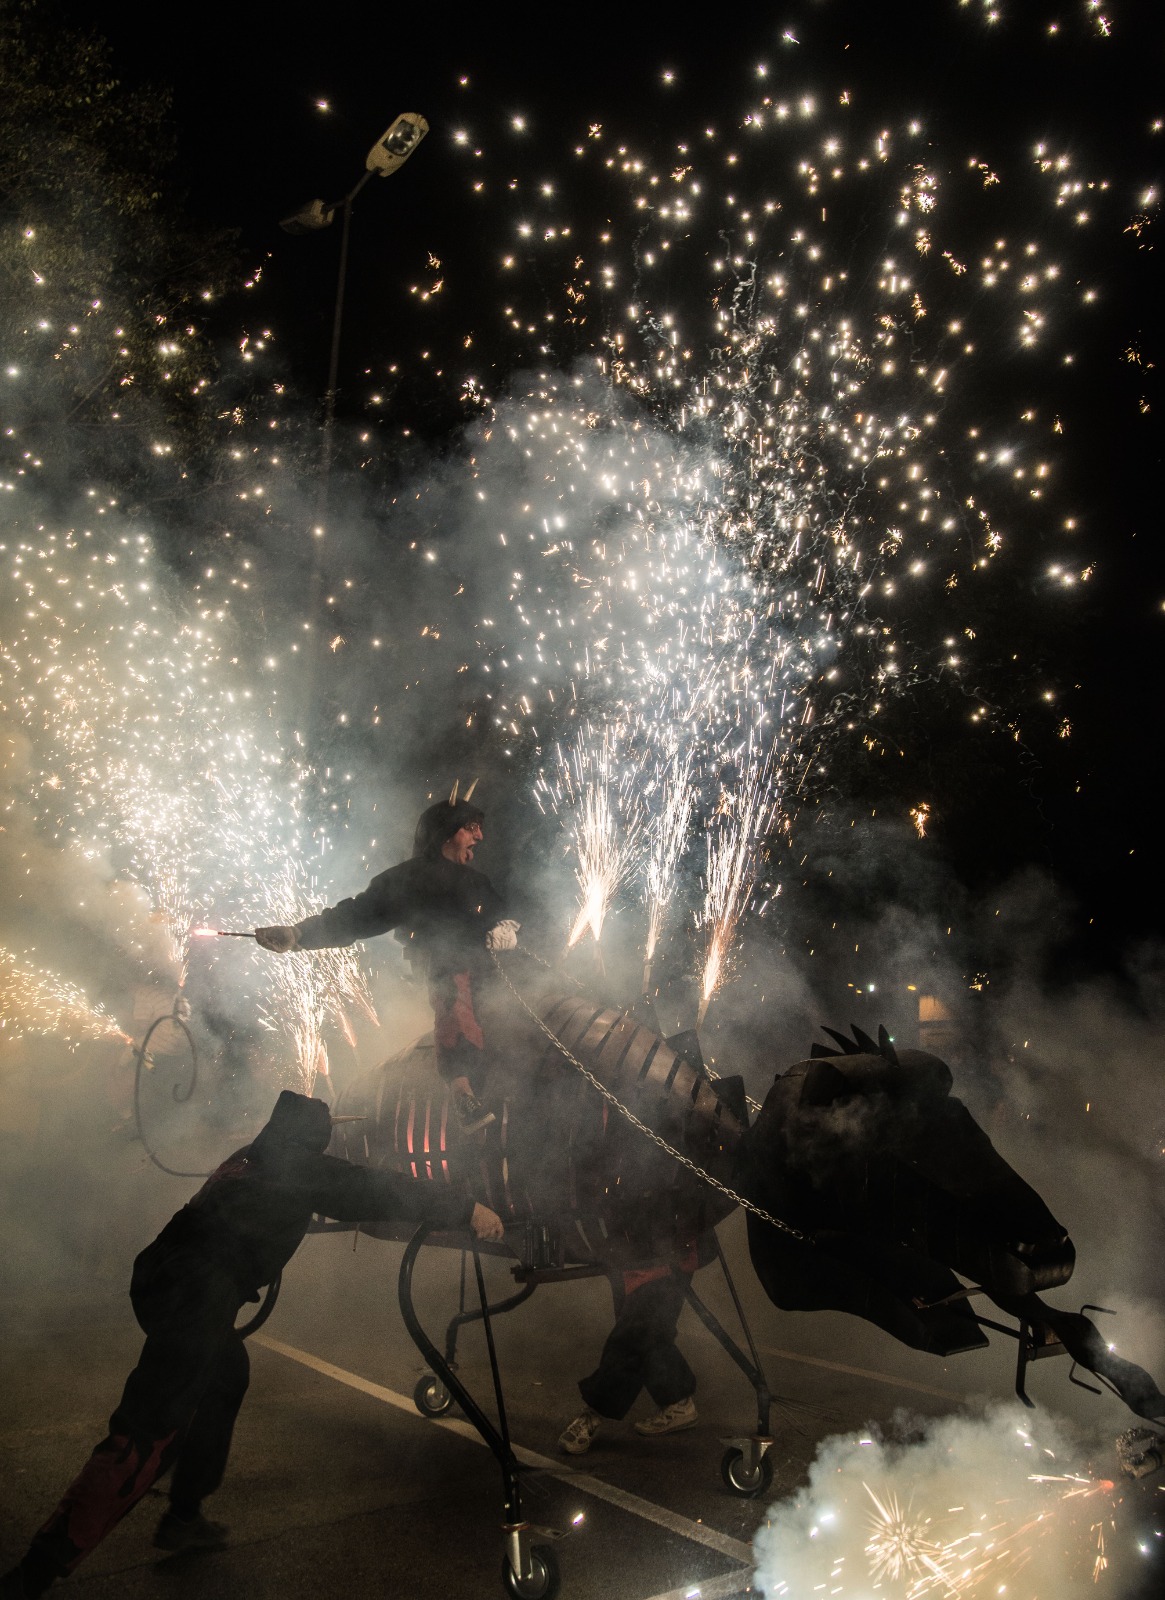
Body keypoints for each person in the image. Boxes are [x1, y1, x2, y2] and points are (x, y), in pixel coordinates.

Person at [1, 1091, 504, 1599]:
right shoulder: (296, 1166)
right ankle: (35, 1572)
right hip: (195, 1299)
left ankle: (184, 1515)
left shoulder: (251, 1155)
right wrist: (465, 1206)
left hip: (167, 1280)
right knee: (143, 1435)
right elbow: (373, 1188)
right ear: (315, 1135)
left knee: (227, 1374)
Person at [255, 788, 519, 1134]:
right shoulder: (409, 880)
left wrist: (511, 928)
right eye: (470, 828)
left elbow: (520, 916)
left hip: (507, 984)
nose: (480, 836)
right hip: (452, 973)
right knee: (452, 995)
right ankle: (462, 1092)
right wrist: (299, 934)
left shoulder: (479, 882)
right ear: (448, 833)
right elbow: (355, 916)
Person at [557, 1249, 703, 1456]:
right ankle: (677, 1400)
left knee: (636, 1330)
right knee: (646, 1330)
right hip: (629, 1255)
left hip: (669, 1256)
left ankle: (594, 1413)